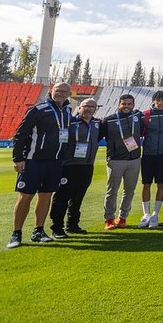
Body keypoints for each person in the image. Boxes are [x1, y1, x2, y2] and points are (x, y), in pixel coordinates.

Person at [7, 82, 72, 249]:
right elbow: (20, 134)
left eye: (65, 91)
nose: (61, 93)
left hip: (55, 161)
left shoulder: (67, 110)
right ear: (51, 90)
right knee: (26, 196)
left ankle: (39, 231)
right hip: (33, 160)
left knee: (46, 196)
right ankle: (16, 233)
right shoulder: (38, 109)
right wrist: (18, 158)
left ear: (69, 93)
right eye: (58, 90)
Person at [49, 97, 101, 237]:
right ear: (80, 107)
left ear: (95, 109)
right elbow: (60, 140)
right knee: (62, 196)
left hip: (87, 166)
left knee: (78, 197)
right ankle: (56, 227)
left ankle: (72, 224)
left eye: (92, 106)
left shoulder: (97, 123)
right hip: (69, 166)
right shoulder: (70, 122)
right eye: (86, 106)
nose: (88, 108)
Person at [100, 93, 144, 230]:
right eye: (124, 104)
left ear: (133, 105)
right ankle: (109, 219)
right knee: (112, 191)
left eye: (129, 104)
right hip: (115, 161)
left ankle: (123, 218)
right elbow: (99, 136)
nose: (126, 106)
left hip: (134, 160)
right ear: (119, 104)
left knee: (129, 191)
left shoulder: (137, 117)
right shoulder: (108, 120)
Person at [139, 90, 163, 229]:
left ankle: (155, 214)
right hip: (148, 155)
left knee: (161, 184)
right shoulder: (145, 115)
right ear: (154, 100)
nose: (161, 103)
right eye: (158, 100)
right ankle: (146, 214)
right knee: (146, 185)